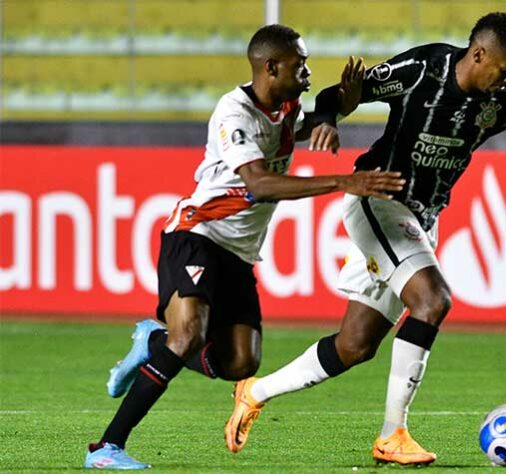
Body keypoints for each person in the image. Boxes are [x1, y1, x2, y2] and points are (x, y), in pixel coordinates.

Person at [225, 12, 506, 467]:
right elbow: (345, 92)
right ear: (479, 54)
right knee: (433, 300)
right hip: (378, 198)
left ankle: (255, 391)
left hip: (422, 217)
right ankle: (393, 435)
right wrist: (329, 117)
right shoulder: (424, 70)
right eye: (505, 69)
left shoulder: (505, 100)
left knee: (355, 345)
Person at [83, 24, 404, 470]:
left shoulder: (284, 105)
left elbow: (310, 118)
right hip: (198, 234)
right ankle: (106, 447)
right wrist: (344, 182)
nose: (308, 72)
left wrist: (332, 115)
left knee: (239, 362)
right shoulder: (233, 113)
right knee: (189, 336)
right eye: (300, 64)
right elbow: (260, 183)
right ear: (271, 67)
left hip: (238, 252)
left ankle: (152, 340)